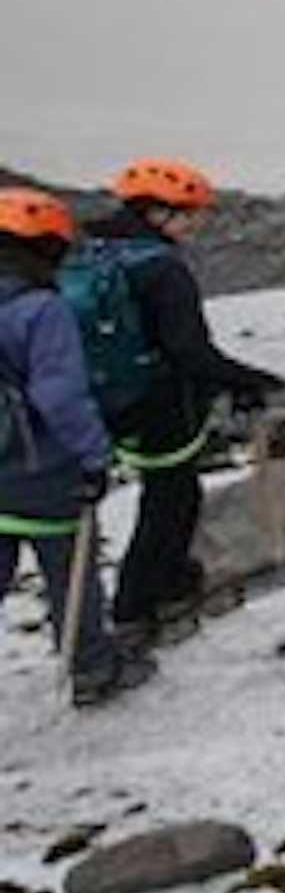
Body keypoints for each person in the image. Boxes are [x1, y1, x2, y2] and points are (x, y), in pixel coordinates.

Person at [69, 157, 284, 643]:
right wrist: (247, 380)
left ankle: (156, 588)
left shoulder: (92, 255)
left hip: (109, 399)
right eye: (188, 212)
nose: (196, 222)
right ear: (156, 213)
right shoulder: (163, 270)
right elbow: (190, 351)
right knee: (172, 499)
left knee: (165, 495)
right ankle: (141, 603)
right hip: (163, 402)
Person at [1, 189, 144, 706]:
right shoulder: (41, 309)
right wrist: (93, 455)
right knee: (70, 569)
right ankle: (89, 668)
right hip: (41, 467)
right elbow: (59, 394)